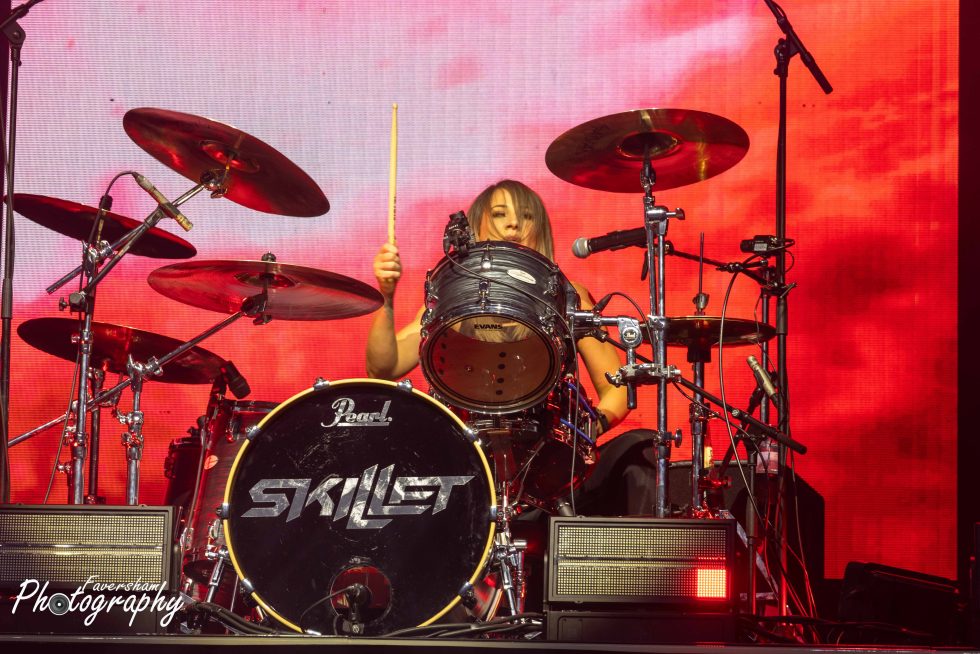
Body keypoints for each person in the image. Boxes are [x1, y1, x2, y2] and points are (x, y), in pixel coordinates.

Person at [365, 179, 629, 434]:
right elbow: (383, 369)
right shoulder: (450, 299)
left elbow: (617, 387)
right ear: (474, 228)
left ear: (540, 231)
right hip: (464, 450)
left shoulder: (567, 295)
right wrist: (386, 297)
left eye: (527, 216)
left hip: (545, 448)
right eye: (500, 214)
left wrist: (586, 432)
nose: (513, 224)